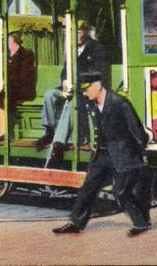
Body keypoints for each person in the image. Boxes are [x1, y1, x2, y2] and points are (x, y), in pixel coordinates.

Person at [53, 71, 151, 238]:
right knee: (88, 187)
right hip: (103, 154)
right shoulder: (91, 102)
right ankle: (76, 223)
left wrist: (138, 153)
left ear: (97, 86)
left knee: (121, 192)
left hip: (122, 154)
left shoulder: (119, 102)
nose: (84, 94)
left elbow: (137, 130)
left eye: (86, 90)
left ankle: (142, 223)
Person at [35, 20, 109, 152]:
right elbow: (65, 70)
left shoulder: (97, 48)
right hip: (69, 87)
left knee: (71, 100)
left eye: (78, 32)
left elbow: (98, 73)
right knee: (49, 95)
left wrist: (76, 82)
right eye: (72, 32)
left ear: (87, 32)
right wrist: (64, 81)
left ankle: (60, 142)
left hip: (86, 89)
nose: (75, 35)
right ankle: (49, 132)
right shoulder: (72, 49)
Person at [7, 32, 37, 114]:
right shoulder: (8, 55)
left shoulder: (26, 54)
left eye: (8, 41)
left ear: (13, 41)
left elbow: (24, 75)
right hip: (12, 86)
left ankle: (8, 123)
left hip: (22, 89)